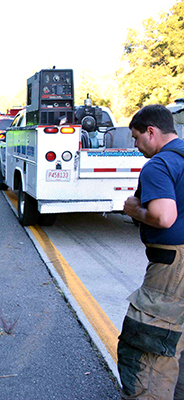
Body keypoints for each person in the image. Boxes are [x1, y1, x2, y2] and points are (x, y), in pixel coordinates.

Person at [119, 104, 184, 399]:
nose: (135, 145)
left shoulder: (159, 164)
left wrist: (134, 208)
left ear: (151, 132)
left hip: (172, 268)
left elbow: (163, 216)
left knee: (149, 345)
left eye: (136, 138)